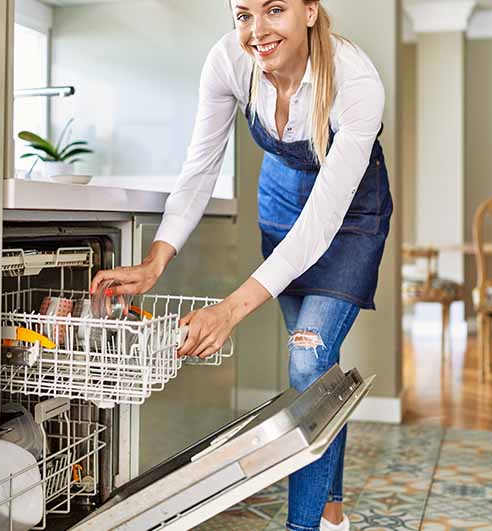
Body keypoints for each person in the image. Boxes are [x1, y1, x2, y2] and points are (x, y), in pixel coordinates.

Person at [90, 1, 391, 530]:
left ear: (311, 11)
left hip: (346, 220)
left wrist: (229, 311)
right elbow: (200, 167)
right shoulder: (227, 61)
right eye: (243, 14)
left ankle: (305, 526)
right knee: (318, 368)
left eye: (275, 9)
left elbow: (321, 222)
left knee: (306, 363)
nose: (257, 31)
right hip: (279, 204)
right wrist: (155, 260)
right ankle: (334, 511)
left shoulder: (356, 82)